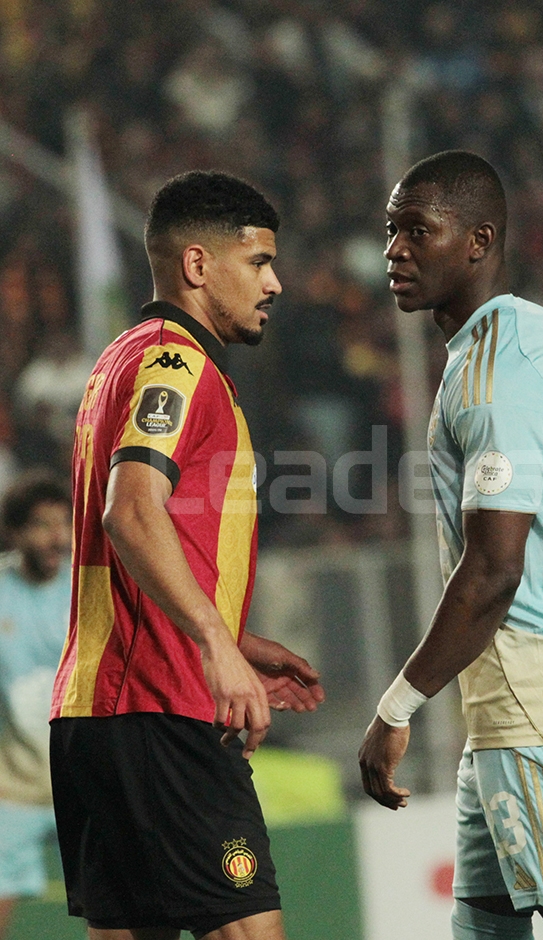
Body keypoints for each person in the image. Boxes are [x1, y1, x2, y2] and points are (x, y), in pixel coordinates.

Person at [359, 151, 543, 940]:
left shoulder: (497, 373)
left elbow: (493, 569)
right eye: (390, 231)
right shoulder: (528, 335)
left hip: (542, 684)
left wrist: (396, 706)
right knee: (483, 921)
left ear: (479, 241)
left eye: (418, 230)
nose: (394, 250)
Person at [50, 170, 325, 940]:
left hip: (95, 712)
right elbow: (132, 510)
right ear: (198, 265)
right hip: (159, 706)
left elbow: (141, 542)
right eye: (258, 262)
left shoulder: (120, 359)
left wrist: (233, 636)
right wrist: (212, 643)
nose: (274, 283)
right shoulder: (178, 364)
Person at [0, 471, 72, 938]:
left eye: (64, 523)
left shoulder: (86, 590)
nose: (57, 537)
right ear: (14, 532)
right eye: (43, 525)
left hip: (86, 782)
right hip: (12, 789)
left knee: (126, 903)